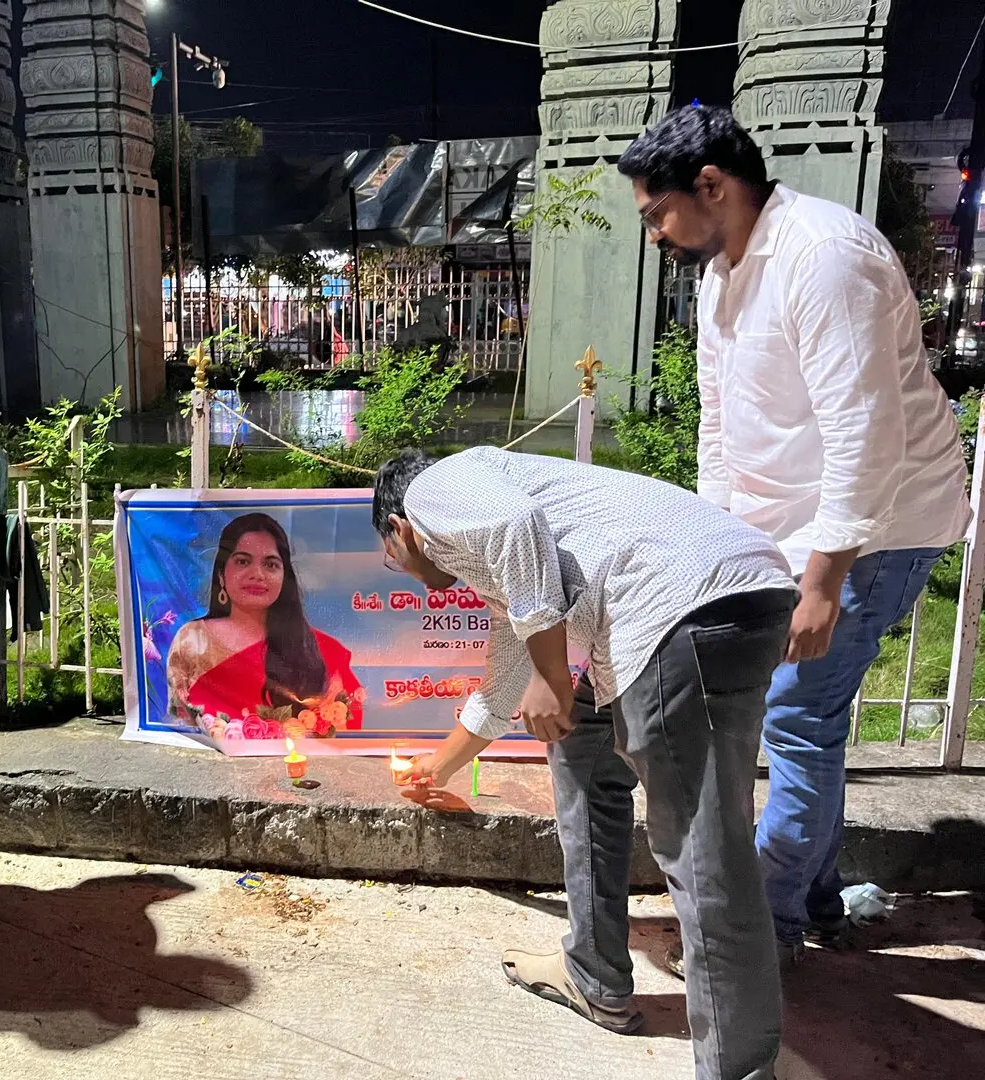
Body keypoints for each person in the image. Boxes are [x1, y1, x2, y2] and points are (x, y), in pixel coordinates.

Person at [619, 106, 971, 969]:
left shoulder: (826, 257)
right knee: (800, 717)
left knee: (797, 717)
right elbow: (721, 427)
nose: (656, 235)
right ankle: (811, 897)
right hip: (790, 529)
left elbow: (864, 434)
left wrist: (821, 583)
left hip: (874, 529)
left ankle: (763, 932)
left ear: (712, 185)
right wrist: (716, 545)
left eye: (658, 213)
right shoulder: (721, 276)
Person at [375, 447, 797, 1080]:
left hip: (685, 611)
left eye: (391, 555)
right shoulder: (492, 552)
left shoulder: (432, 491)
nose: (399, 569)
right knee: (583, 748)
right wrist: (438, 768)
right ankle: (593, 974)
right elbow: (505, 677)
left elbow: (516, 528)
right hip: (718, 598)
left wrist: (551, 677)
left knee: (704, 853)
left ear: (398, 528)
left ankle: (739, 1070)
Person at [167, 512, 362, 740]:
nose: (257, 574)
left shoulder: (322, 650)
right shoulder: (192, 640)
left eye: (270, 564)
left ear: (284, 578)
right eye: (243, 561)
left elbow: (343, 729)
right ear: (221, 575)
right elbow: (180, 724)